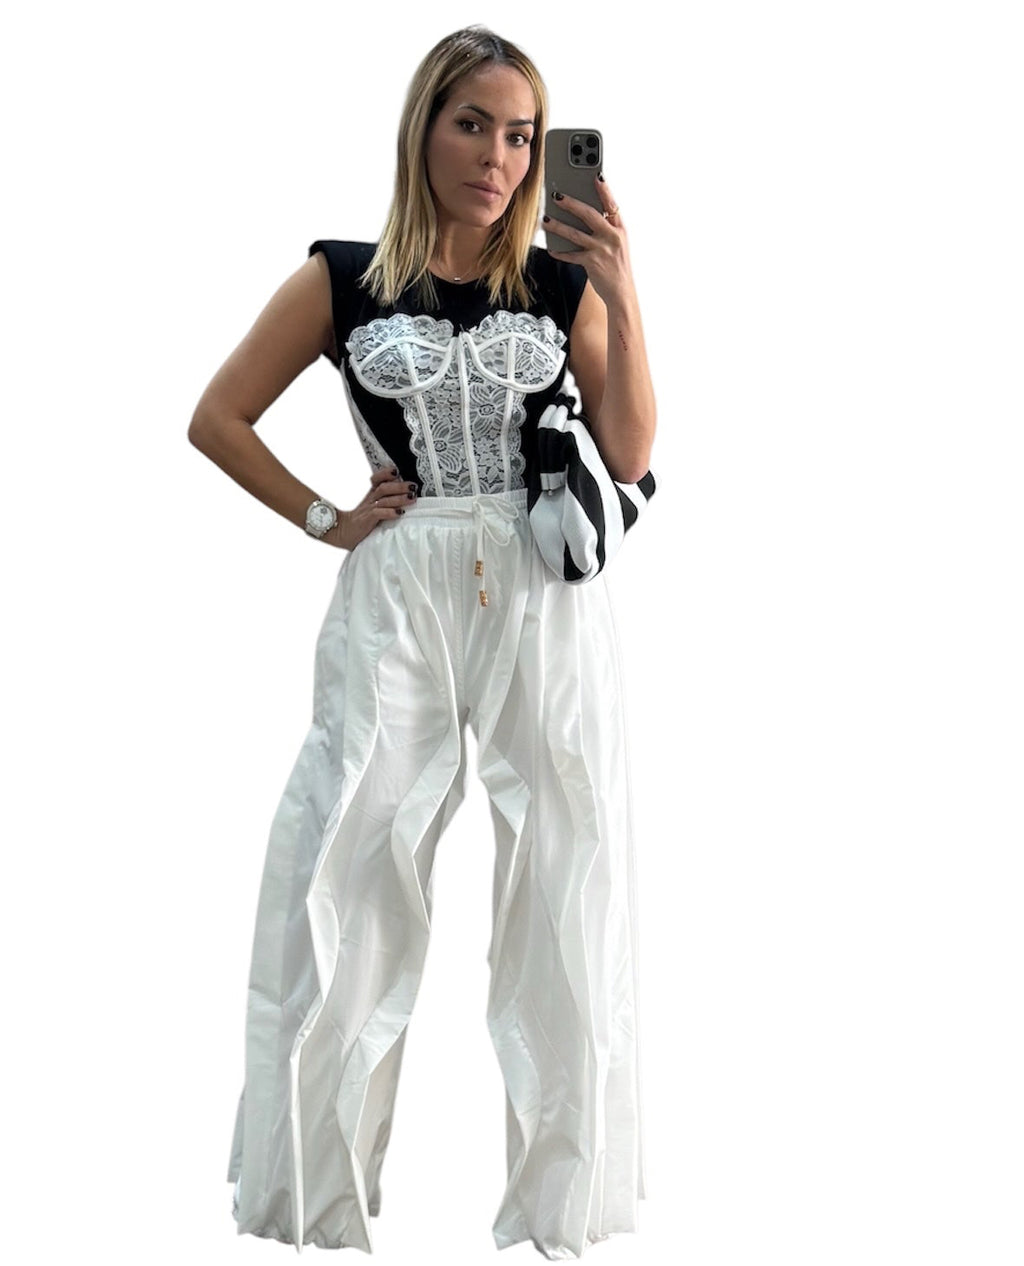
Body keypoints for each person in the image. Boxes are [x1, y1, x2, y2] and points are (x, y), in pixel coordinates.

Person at [188, 24, 657, 1261]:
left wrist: (622, 290)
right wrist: (325, 518)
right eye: (473, 125)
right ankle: (313, 1200)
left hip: (541, 592)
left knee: (566, 870)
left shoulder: (561, 285)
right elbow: (216, 416)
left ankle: (564, 1211)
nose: (498, 157)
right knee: (346, 868)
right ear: (424, 129)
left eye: (522, 136)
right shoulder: (340, 277)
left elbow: (630, 452)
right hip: (397, 592)